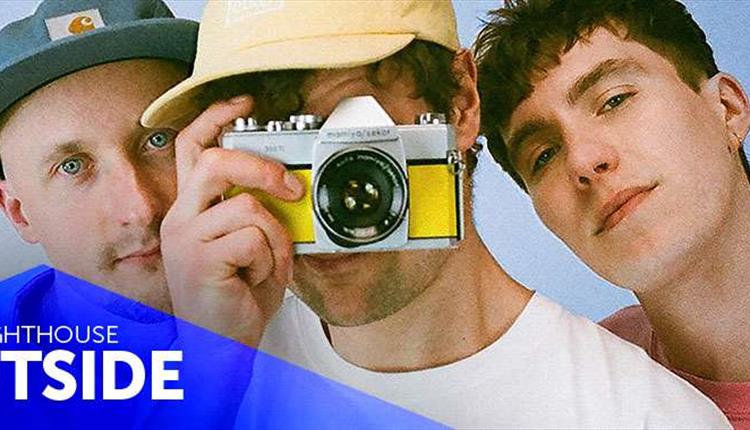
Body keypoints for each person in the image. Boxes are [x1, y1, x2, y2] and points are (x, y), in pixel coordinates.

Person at [142, 0, 729, 427]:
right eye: (279, 146)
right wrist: (205, 371)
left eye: (355, 144)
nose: (332, 195)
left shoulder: (643, 416)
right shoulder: (204, 362)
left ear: (461, 102)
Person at [474, 0, 750, 426]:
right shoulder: (575, 399)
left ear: (727, 110)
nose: (583, 161)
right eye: (544, 155)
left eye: (615, 100)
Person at [0, 0, 199, 427]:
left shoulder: (326, 319)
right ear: (19, 213)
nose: (140, 208)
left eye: (160, 141)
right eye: (72, 166)